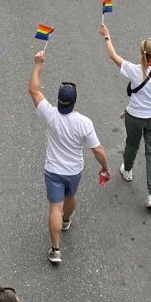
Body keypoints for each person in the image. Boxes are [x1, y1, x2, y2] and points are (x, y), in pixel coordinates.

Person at [28, 51, 109, 265]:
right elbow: (98, 150)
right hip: (74, 170)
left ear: (58, 100)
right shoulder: (84, 123)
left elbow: (33, 90)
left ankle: (55, 250)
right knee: (70, 196)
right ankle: (66, 220)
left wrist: (38, 64)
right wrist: (105, 168)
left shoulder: (50, 114)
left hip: (53, 169)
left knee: (55, 205)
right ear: (74, 102)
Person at [101, 25, 151, 210]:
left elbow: (113, 56)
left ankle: (127, 169)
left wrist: (107, 36)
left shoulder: (134, 70)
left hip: (134, 116)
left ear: (141, 52)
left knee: (132, 144)